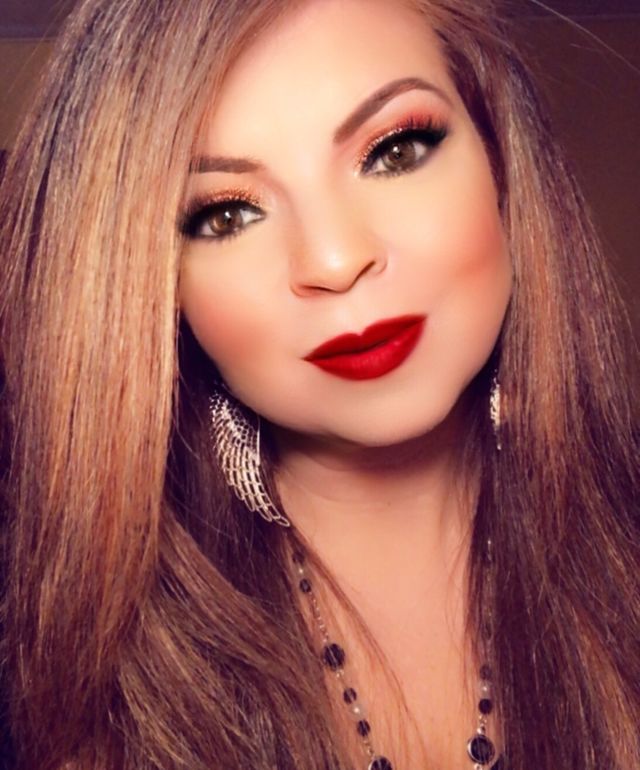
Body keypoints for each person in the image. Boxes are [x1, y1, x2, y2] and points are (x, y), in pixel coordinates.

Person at [0, 0, 638, 768]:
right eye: (226, 214)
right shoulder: (56, 681)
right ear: (156, 291)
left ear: (503, 165)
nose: (334, 261)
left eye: (396, 150)